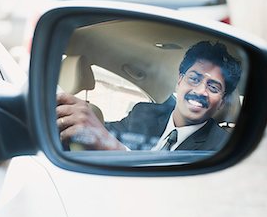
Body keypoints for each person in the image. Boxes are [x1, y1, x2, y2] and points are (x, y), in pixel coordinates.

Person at [56, 41, 242, 151]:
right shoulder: (143, 113)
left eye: (213, 87)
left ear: (222, 102)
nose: (201, 91)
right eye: (194, 79)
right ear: (179, 80)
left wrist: (117, 150)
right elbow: (100, 133)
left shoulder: (223, 146)